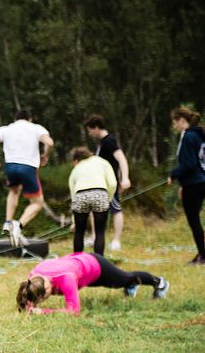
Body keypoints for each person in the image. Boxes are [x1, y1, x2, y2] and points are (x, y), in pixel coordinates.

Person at [0, 110, 54, 247]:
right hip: (28, 167)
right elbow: (49, 143)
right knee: (37, 203)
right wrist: (45, 155)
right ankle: (18, 225)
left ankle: (8, 222)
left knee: (14, 191)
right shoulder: (36, 128)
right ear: (30, 119)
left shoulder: (7, 129)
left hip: (10, 166)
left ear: (15, 119)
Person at [16, 252, 169, 315]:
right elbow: (28, 294)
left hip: (96, 267)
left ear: (48, 288)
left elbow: (74, 311)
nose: (44, 300)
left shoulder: (65, 279)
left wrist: (44, 311)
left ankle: (159, 282)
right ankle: (130, 285)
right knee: (123, 280)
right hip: (80, 265)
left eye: (44, 297)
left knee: (125, 278)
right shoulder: (33, 278)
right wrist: (28, 305)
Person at [84, 114, 132, 251]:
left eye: (90, 130)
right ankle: (94, 238)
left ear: (97, 127)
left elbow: (122, 159)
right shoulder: (102, 143)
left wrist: (125, 178)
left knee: (115, 209)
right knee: (95, 209)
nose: (90, 133)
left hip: (110, 183)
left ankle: (116, 241)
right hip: (100, 183)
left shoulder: (109, 141)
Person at [167, 106, 205, 265]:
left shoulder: (188, 137)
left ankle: (202, 255)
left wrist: (173, 174)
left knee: (194, 220)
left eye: (175, 123)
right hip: (200, 181)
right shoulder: (198, 135)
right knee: (196, 219)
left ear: (182, 121)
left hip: (194, 184)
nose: (174, 126)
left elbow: (189, 164)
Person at [68, 146, 117, 255]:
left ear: (76, 160)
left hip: (80, 195)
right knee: (100, 232)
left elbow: (73, 195)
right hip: (100, 193)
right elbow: (113, 183)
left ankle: (77, 261)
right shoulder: (102, 162)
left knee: (79, 232)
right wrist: (107, 198)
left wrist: (73, 221)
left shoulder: (76, 168)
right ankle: (100, 263)